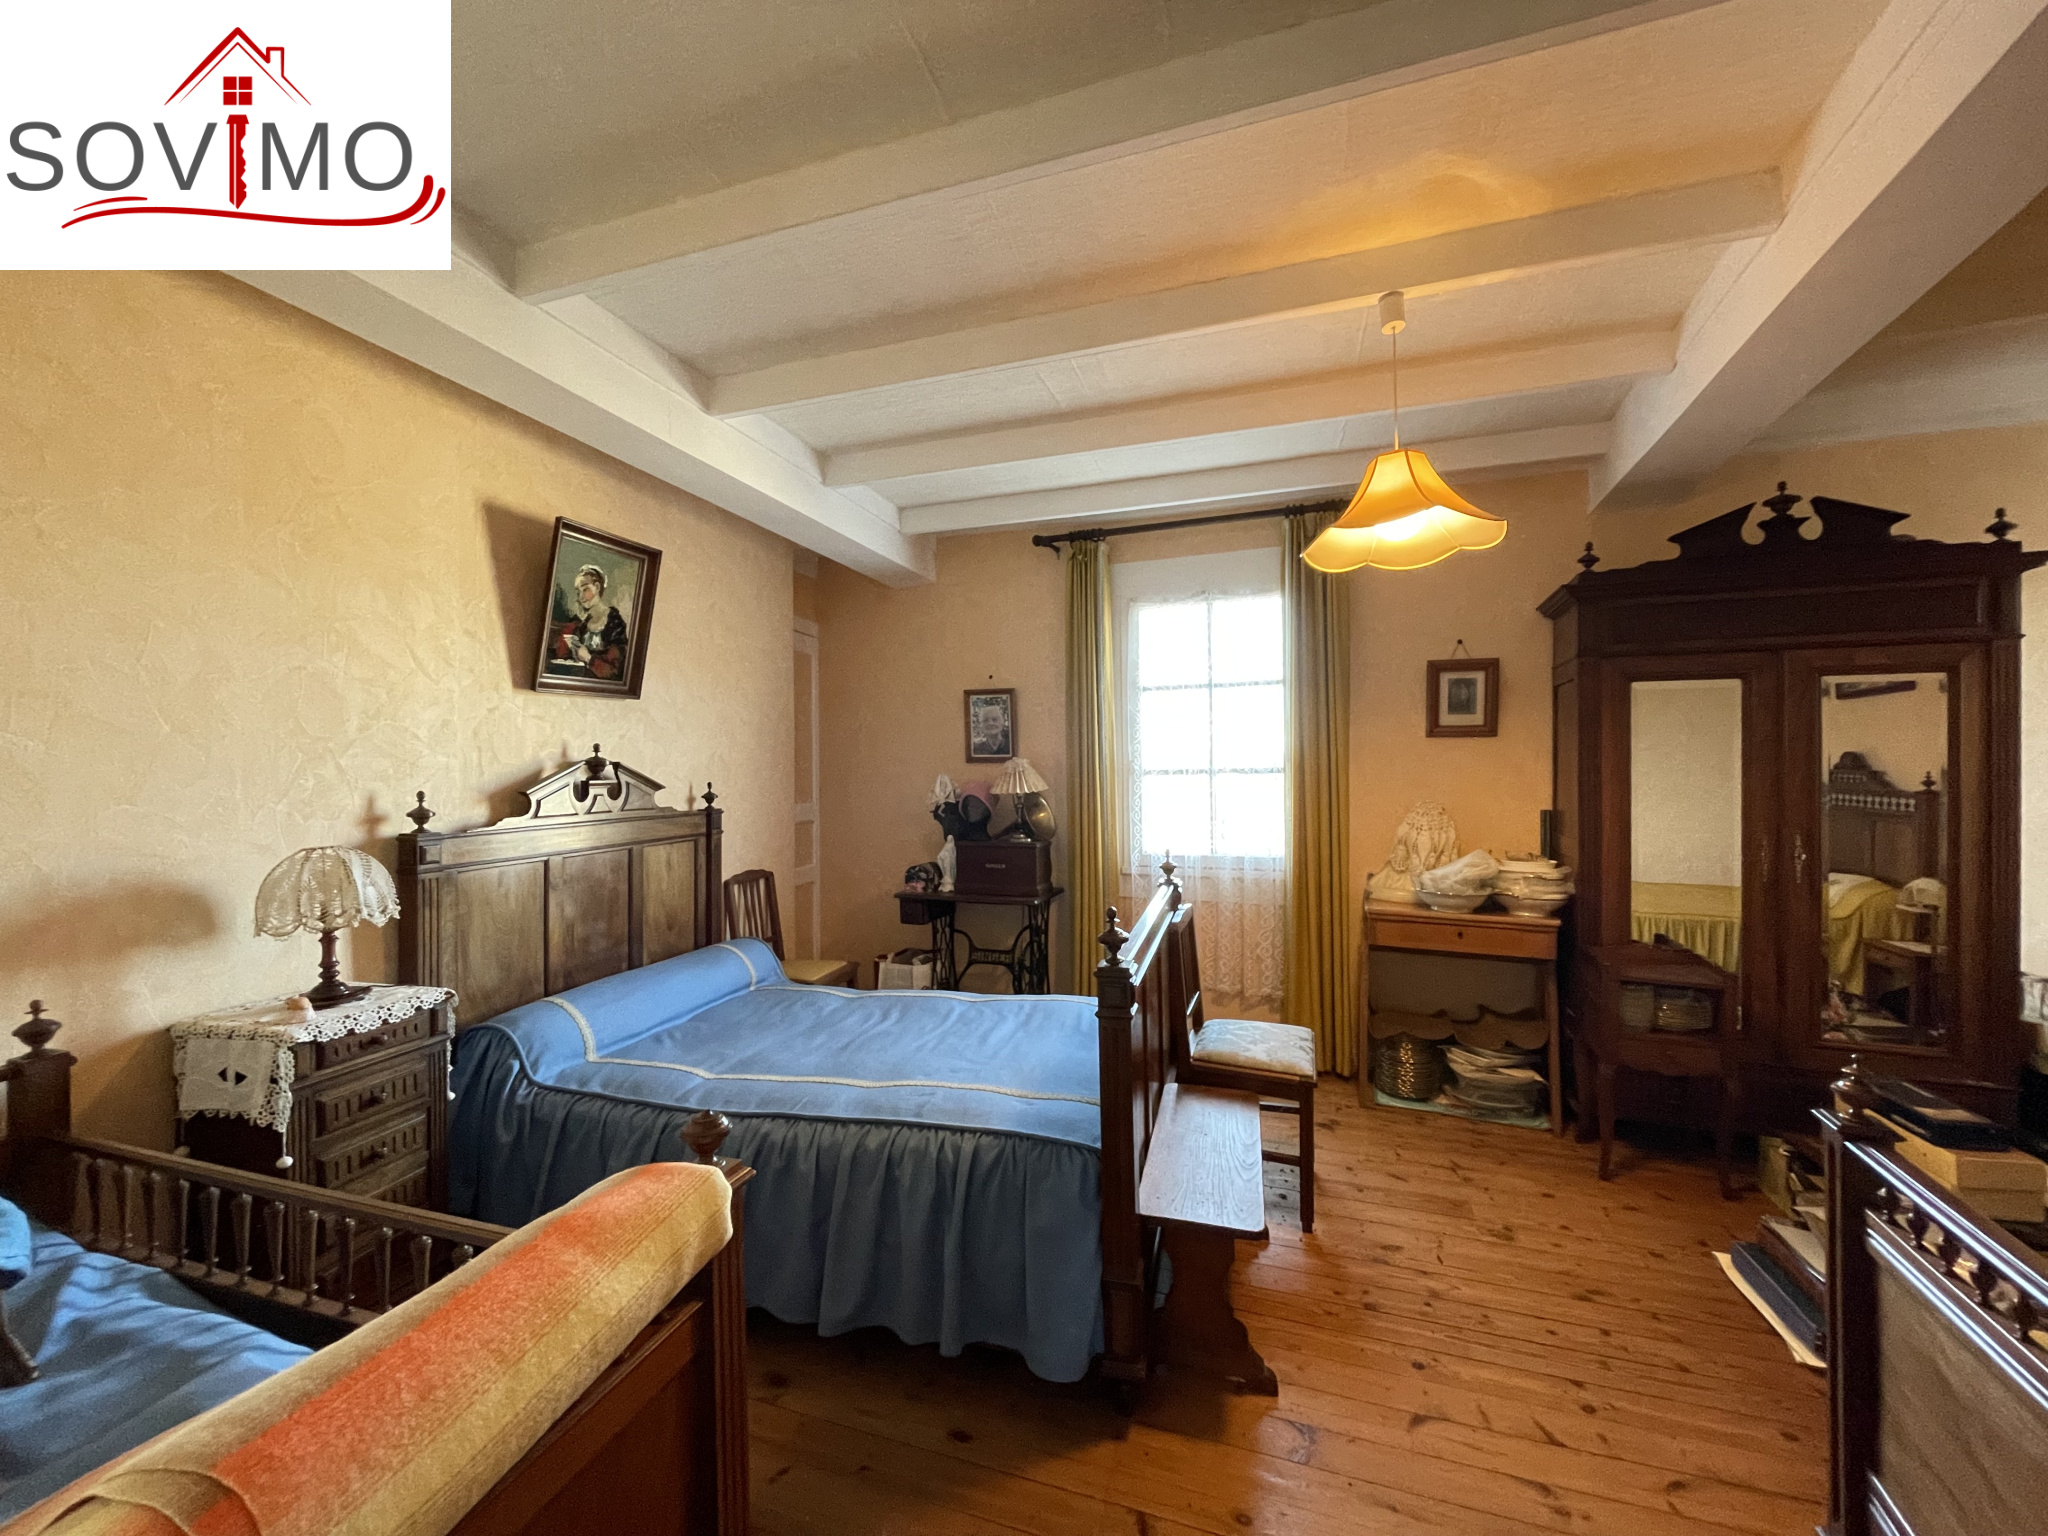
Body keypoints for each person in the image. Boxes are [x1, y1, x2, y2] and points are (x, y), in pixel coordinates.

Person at [551, 563, 629, 679]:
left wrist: (588, 658)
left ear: (597, 587)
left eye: (585, 589)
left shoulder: (615, 624)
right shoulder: (583, 626)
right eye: (578, 592)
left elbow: (614, 671)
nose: (581, 597)